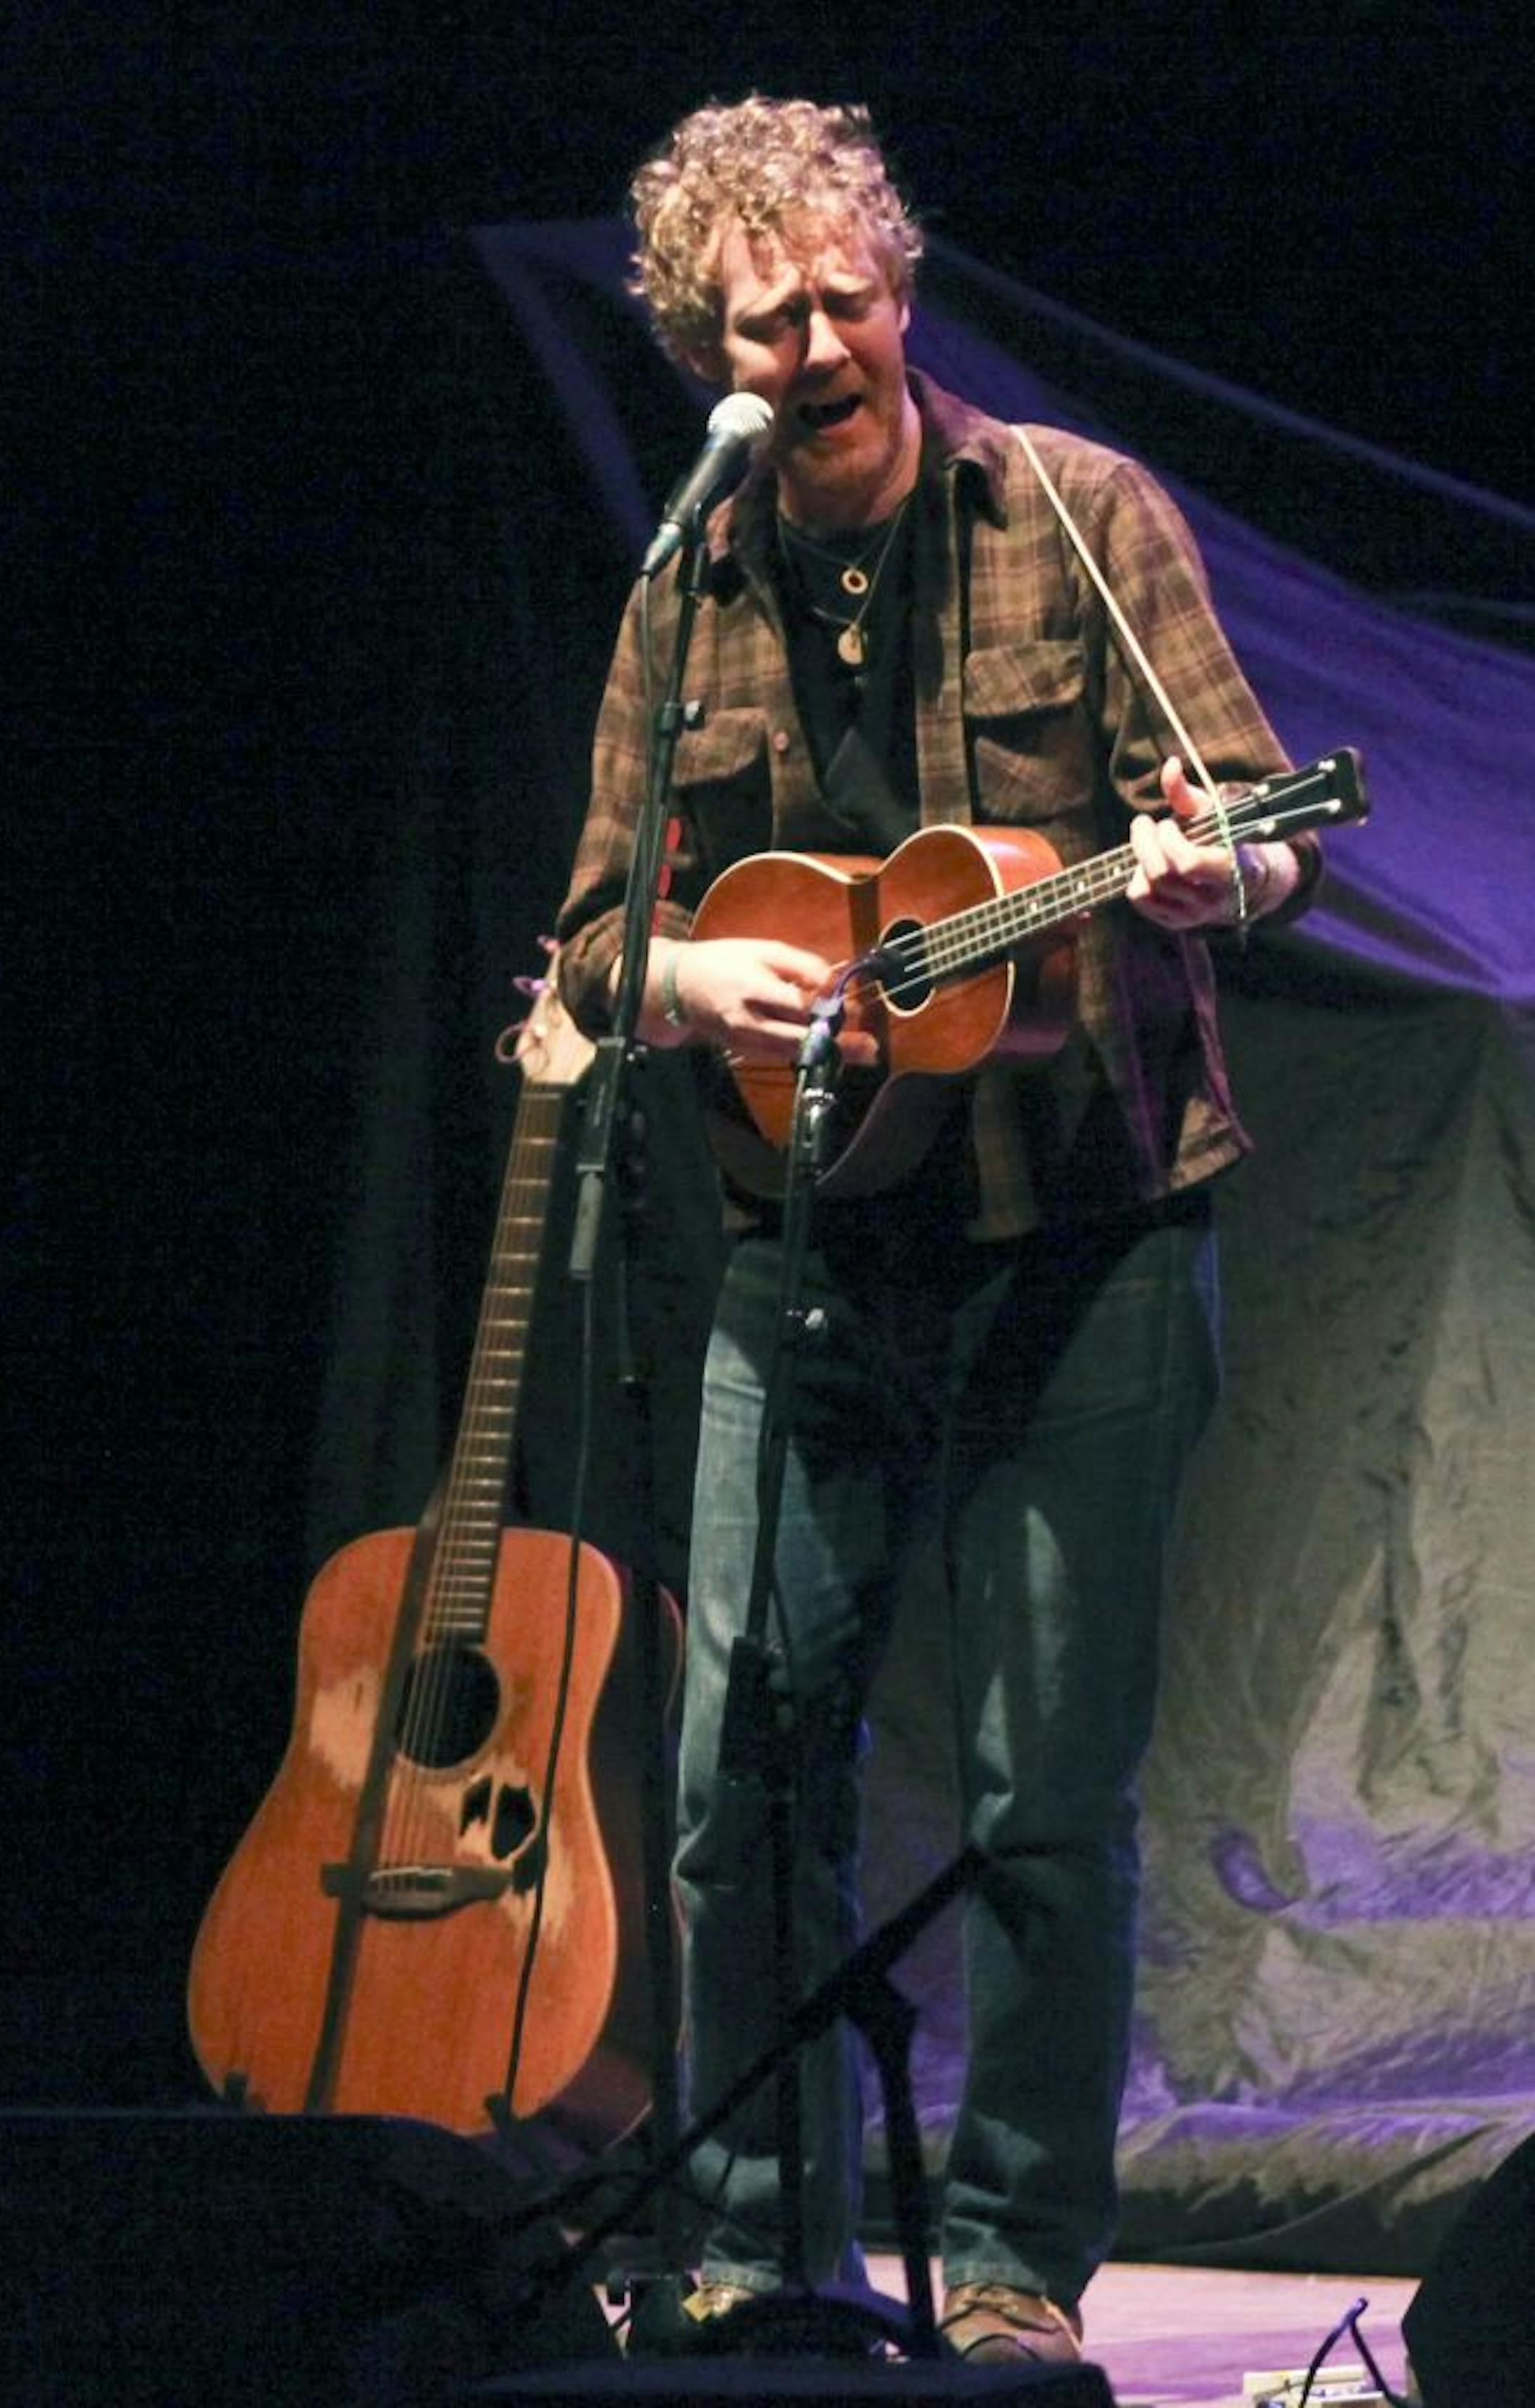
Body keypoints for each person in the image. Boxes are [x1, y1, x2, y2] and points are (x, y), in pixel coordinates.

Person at [555, 93, 1322, 2368]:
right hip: (800, 1256)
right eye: (764, 311)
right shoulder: (685, 589)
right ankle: (754, 2248)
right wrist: (693, 975)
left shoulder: (1081, 517)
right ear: (710, 338)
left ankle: (1009, 2271)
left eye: (847, 292)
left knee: (1043, 1798)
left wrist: (1227, 870)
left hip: (1082, 1242)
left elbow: (1269, 831)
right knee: (733, 1786)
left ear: (902, 288)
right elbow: (594, 944)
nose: (817, 339)